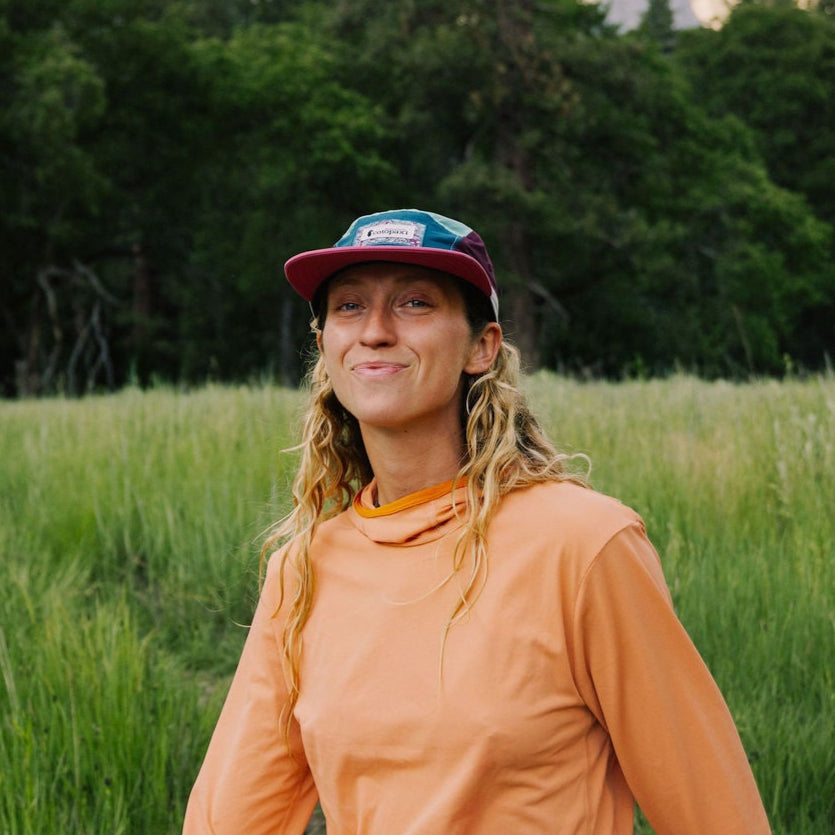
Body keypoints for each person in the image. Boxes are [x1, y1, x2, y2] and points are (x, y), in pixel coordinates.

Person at [183, 209, 771, 834]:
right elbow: (230, 819)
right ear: (326, 346)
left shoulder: (583, 546)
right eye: (349, 306)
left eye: (414, 302)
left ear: (481, 347)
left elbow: (714, 812)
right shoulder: (302, 571)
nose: (375, 331)